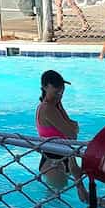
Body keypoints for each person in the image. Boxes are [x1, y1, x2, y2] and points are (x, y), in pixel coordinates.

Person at [36, 69, 86, 198]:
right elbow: (73, 134)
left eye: (61, 91)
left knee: (56, 198)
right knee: (54, 203)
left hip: (64, 156)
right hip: (54, 161)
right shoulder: (48, 108)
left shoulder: (55, 104)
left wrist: (72, 126)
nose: (60, 94)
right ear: (45, 87)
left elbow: (72, 127)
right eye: (56, 91)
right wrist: (73, 127)